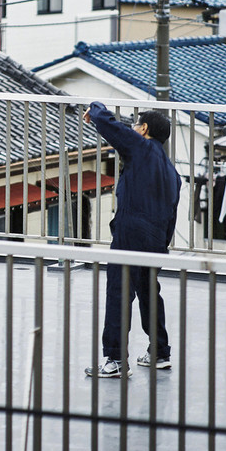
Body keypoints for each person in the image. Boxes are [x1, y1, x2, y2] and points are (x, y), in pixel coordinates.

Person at [83, 102, 181, 379]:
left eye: (136, 124)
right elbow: (172, 215)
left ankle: (114, 359)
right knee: (149, 291)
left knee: (119, 293)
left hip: (130, 232)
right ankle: (159, 352)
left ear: (145, 129)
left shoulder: (141, 148)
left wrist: (96, 108)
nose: (133, 127)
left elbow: (114, 129)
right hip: (156, 238)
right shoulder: (171, 172)